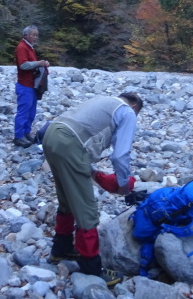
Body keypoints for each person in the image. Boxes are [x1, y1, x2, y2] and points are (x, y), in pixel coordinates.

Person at [42, 92, 143, 286]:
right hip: (69, 143)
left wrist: (93, 172)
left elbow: (83, 140)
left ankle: (60, 248)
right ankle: (91, 267)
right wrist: (123, 186)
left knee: (67, 198)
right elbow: (120, 155)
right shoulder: (128, 112)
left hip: (51, 135)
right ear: (134, 107)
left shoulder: (104, 102)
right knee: (87, 209)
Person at [13, 25, 49, 148]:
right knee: (23, 111)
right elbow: (23, 65)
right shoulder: (22, 47)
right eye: (33, 35)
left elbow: (31, 64)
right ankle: (18, 136)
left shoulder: (29, 48)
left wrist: (40, 64)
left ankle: (26, 133)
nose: (35, 37)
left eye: (36, 35)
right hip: (24, 85)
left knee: (31, 111)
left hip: (31, 85)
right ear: (26, 35)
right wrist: (39, 63)